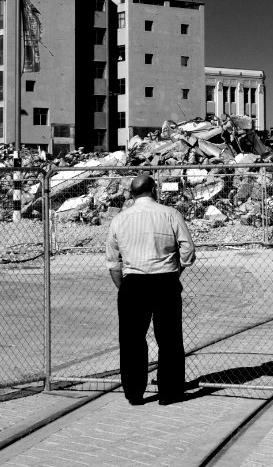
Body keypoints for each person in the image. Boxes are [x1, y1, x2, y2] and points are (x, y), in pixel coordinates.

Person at [107, 174, 196, 405]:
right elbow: (187, 249)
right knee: (169, 339)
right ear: (154, 190)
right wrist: (176, 271)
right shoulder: (170, 214)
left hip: (133, 283)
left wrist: (123, 286)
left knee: (131, 340)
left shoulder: (120, 219)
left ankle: (134, 393)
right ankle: (169, 392)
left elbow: (113, 261)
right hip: (165, 281)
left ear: (131, 193)